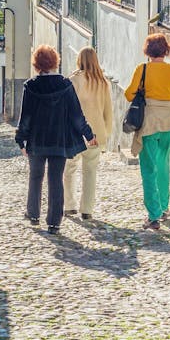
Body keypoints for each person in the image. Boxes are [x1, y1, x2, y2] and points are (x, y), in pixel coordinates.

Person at [15, 45, 96, 234]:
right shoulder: (65, 85)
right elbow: (77, 114)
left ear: (36, 64)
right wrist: (88, 134)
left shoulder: (31, 85)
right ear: (54, 62)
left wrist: (21, 139)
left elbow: (25, 116)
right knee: (55, 178)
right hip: (59, 140)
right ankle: (54, 222)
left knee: (35, 176)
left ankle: (33, 213)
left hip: (37, 140)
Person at [124, 33, 170, 231]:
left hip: (149, 124)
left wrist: (141, 89)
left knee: (148, 168)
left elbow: (129, 94)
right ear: (166, 50)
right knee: (163, 165)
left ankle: (153, 215)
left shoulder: (143, 69)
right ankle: (164, 208)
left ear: (147, 50)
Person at [63, 47, 113, 220]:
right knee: (90, 172)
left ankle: (69, 205)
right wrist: (106, 134)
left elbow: (67, 109)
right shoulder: (103, 82)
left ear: (80, 60)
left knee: (69, 169)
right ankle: (87, 209)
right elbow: (108, 112)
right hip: (96, 134)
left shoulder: (73, 80)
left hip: (74, 133)